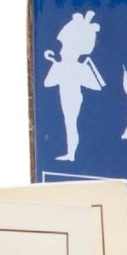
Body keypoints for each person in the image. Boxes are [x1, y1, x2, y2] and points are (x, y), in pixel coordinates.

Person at [42, 10, 104, 162]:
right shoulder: (61, 65)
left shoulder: (79, 68)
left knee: (71, 124)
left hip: (74, 99)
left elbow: (96, 86)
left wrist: (76, 71)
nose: (61, 50)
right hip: (64, 97)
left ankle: (71, 154)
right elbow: (47, 83)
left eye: (64, 47)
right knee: (68, 124)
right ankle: (70, 154)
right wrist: (57, 66)